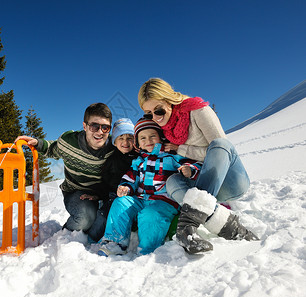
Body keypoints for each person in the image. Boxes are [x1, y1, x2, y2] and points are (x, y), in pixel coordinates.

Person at [137, 78, 258, 255]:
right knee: (172, 181)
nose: (155, 118)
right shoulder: (164, 128)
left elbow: (220, 151)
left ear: (170, 101)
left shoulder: (197, 110)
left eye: (158, 110)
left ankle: (187, 226)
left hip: (227, 180)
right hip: (200, 183)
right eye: (149, 114)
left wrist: (182, 149)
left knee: (219, 144)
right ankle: (227, 227)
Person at [98, 118, 202, 256]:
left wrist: (190, 169)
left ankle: (147, 249)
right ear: (138, 143)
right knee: (120, 203)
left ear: (160, 137)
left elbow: (196, 164)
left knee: (150, 215)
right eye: (143, 138)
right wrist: (126, 187)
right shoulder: (139, 160)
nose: (148, 140)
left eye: (152, 136)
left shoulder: (172, 156)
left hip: (163, 201)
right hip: (140, 199)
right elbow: (131, 177)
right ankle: (115, 242)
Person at [16, 103, 114, 242]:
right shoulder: (69, 141)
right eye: (94, 126)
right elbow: (53, 149)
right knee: (85, 218)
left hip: (101, 195)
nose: (100, 132)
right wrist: (37, 143)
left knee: (104, 224)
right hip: (75, 192)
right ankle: (65, 236)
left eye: (105, 127)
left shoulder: (113, 149)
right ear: (85, 126)